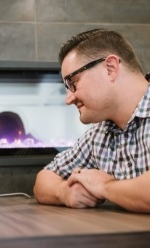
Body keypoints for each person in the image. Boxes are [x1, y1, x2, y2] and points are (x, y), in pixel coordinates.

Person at [33, 28, 150, 213]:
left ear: (110, 68)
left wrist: (104, 186)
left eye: (73, 83)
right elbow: (44, 180)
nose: (68, 98)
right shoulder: (99, 135)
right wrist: (65, 192)